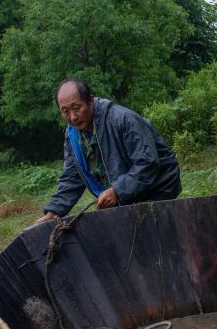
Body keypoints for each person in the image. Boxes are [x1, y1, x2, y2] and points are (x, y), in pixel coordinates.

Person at [36, 78, 181, 223]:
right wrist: (53, 212)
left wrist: (117, 191)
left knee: (149, 234)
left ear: (90, 101)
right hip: (126, 195)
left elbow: (148, 163)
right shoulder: (72, 135)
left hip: (159, 187)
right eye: (65, 111)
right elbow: (72, 177)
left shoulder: (121, 119)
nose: (73, 117)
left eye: (76, 108)